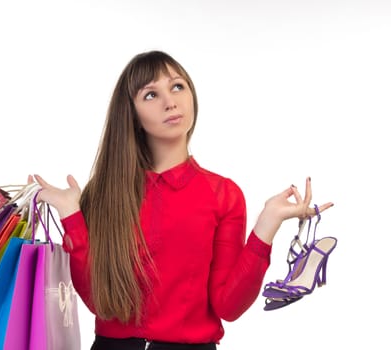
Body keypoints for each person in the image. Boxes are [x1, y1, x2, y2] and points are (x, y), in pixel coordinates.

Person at [29, 50, 333, 350]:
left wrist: (267, 225)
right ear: (132, 114)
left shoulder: (223, 195)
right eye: (151, 95)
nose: (170, 102)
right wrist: (71, 214)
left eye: (177, 86)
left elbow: (229, 306)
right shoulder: (105, 193)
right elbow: (100, 302)